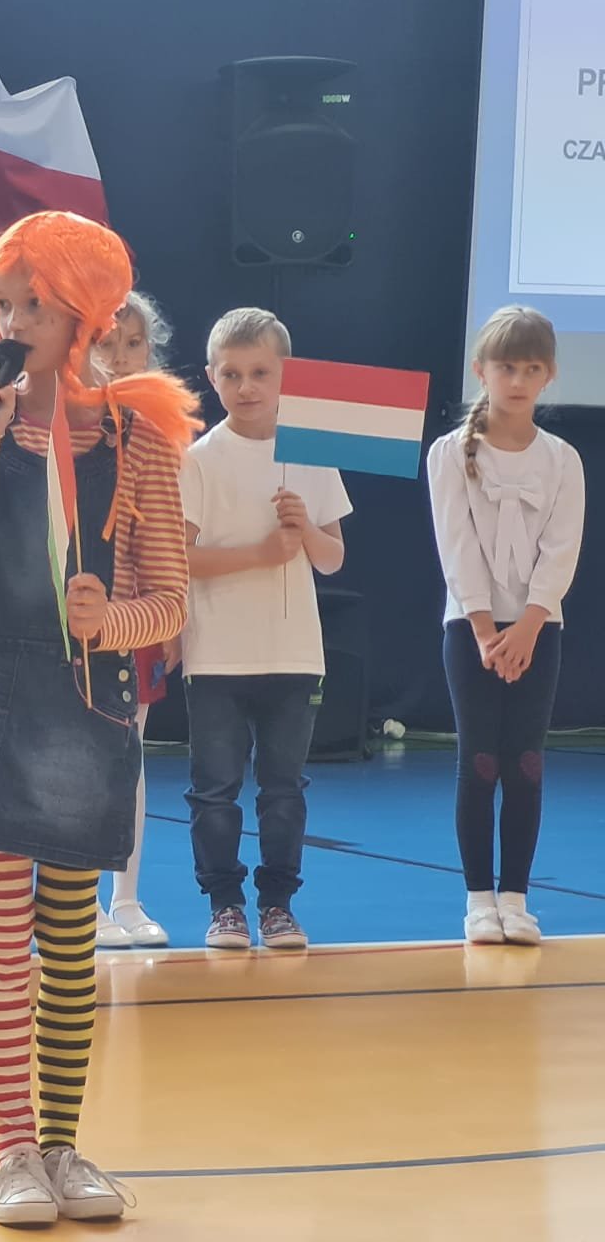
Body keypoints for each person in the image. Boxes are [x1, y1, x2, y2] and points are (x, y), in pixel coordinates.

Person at [0, 210, 200, 1224]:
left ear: (85, 316)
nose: (14, 322)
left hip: (85, 696)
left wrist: (111, 618)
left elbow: (171, 600)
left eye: (38, 305)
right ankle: (12, 1154)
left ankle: (65, 1146)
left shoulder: (138, 434)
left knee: (71, 937)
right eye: (6, 303)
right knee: (0, 938)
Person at [181, 308, 350, 953]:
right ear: (211, 377)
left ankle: (278, 905)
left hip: (293, 652)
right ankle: (224, 905)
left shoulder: (312, 451)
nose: (246, 386)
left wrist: (304, 530)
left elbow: (332, 558)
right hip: (217, 654)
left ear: (286, 376)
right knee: (215, 790)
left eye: (259, 373)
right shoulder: (199, 459)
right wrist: (260, 553)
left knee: (283, 790)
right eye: (232, 374)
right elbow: (181, 557)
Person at [427, 306, 582, 945]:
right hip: (473, 629)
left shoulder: (562, 459)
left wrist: (530, 626)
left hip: (540, 629)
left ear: (549, 376)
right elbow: (457, 546)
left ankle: (516, 896)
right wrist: (487, 629)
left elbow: (561, 548)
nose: (517, 381)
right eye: (506, 367)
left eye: (531, 369)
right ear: (481, 371)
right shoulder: (449, 454)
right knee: (481, 759)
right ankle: (478, 900)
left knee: (526, 761)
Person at [88, 289, 177, 948]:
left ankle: (125, 895)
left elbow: (167, 539)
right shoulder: (66, 422)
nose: (120, 356)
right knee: (70, 765)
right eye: (106, 343)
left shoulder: (158, 430)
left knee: (128, 759)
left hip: (135, 621)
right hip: (71, 622)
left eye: (134, 343)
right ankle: (75, 898)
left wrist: (166, 618)